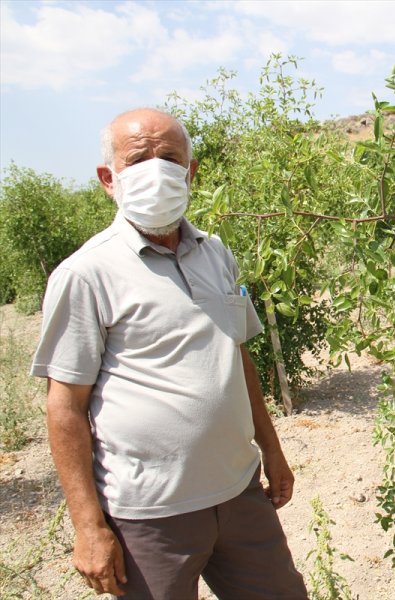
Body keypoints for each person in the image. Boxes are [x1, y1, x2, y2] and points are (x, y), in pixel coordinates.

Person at [31, 108, 309, 599]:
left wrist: (273, 450)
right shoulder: (85, 274)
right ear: (108, 179)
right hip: (149, 517)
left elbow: (236, 358)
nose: (155, 170)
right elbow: (65, 405)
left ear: (190, 171)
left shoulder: (216, 252)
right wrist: (89, 526)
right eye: (138, 160)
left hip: (239, 492)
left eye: (169, 158)